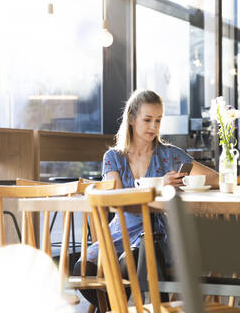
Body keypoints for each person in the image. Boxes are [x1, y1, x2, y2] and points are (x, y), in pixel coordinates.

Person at [73, 89, 218, 308]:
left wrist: (184, 182)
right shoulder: (113, 157)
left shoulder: (170, 154)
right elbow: (116, 200)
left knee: (127, 266)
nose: (153, 127)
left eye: (158, 121)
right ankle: (114, 309)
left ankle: (120, 309)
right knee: (83, 269)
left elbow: (214, 178)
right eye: (148, 119)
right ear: (131, 119)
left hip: (155, 232)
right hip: (119, 229)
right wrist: (160, 185)